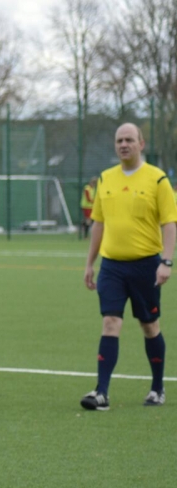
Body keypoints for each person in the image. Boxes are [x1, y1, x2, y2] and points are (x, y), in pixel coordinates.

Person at [81, 122, 177, 411]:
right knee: (110, 322)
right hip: (112, 266)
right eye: (119, 140)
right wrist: (90, 263)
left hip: (146, 266)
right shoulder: (106, 178)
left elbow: (169, 223)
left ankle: (157, 388)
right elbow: (99, 223)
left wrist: (166, 261)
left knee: (149, 326)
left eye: (129, 140)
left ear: (141, 144)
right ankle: (101, 393)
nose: (124, 144)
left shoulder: (157, 179)